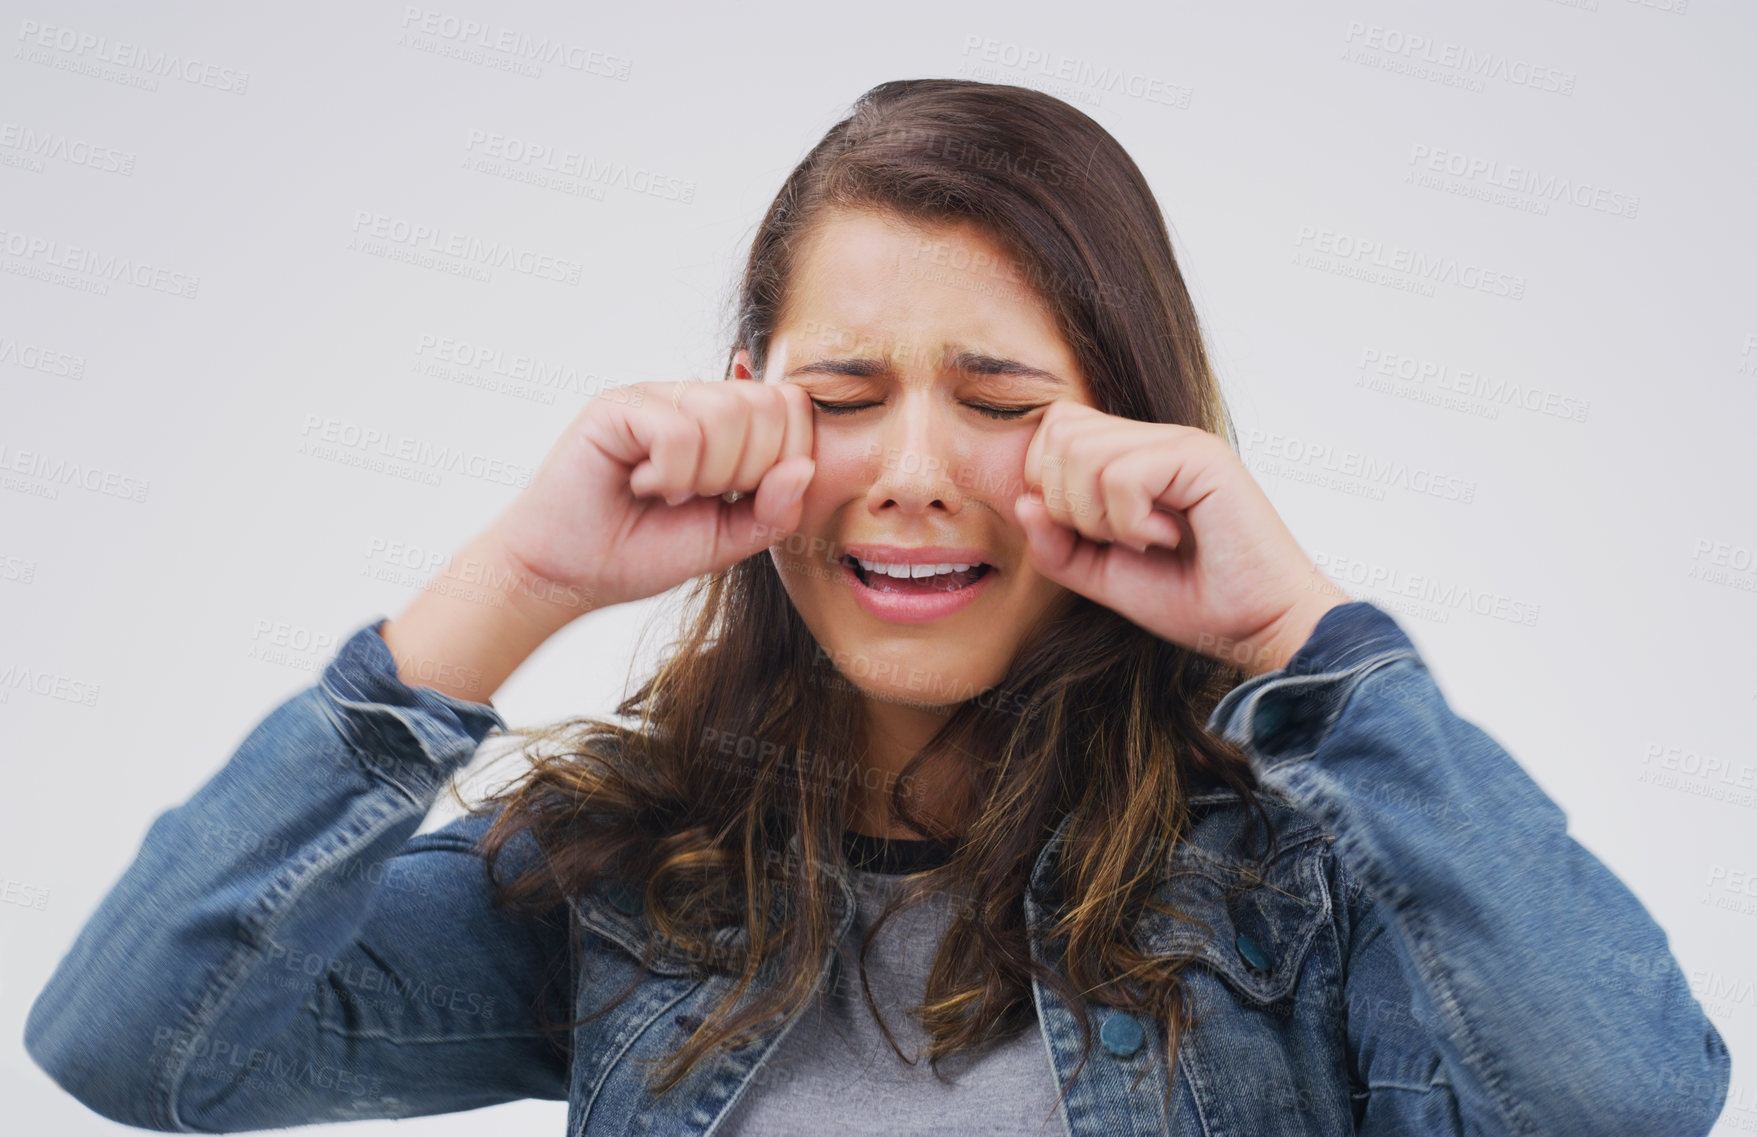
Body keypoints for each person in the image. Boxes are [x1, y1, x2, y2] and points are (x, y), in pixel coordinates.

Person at [24, 78, 1730, 1137]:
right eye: (844, 392)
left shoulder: (1317, 887)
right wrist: (516, 586)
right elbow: (133, 1046)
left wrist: (1304, 641)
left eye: (995, 398)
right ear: (745, 403)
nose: (911, 471)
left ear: (1126, 426)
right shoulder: (628, 880)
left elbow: (1622, 1101)